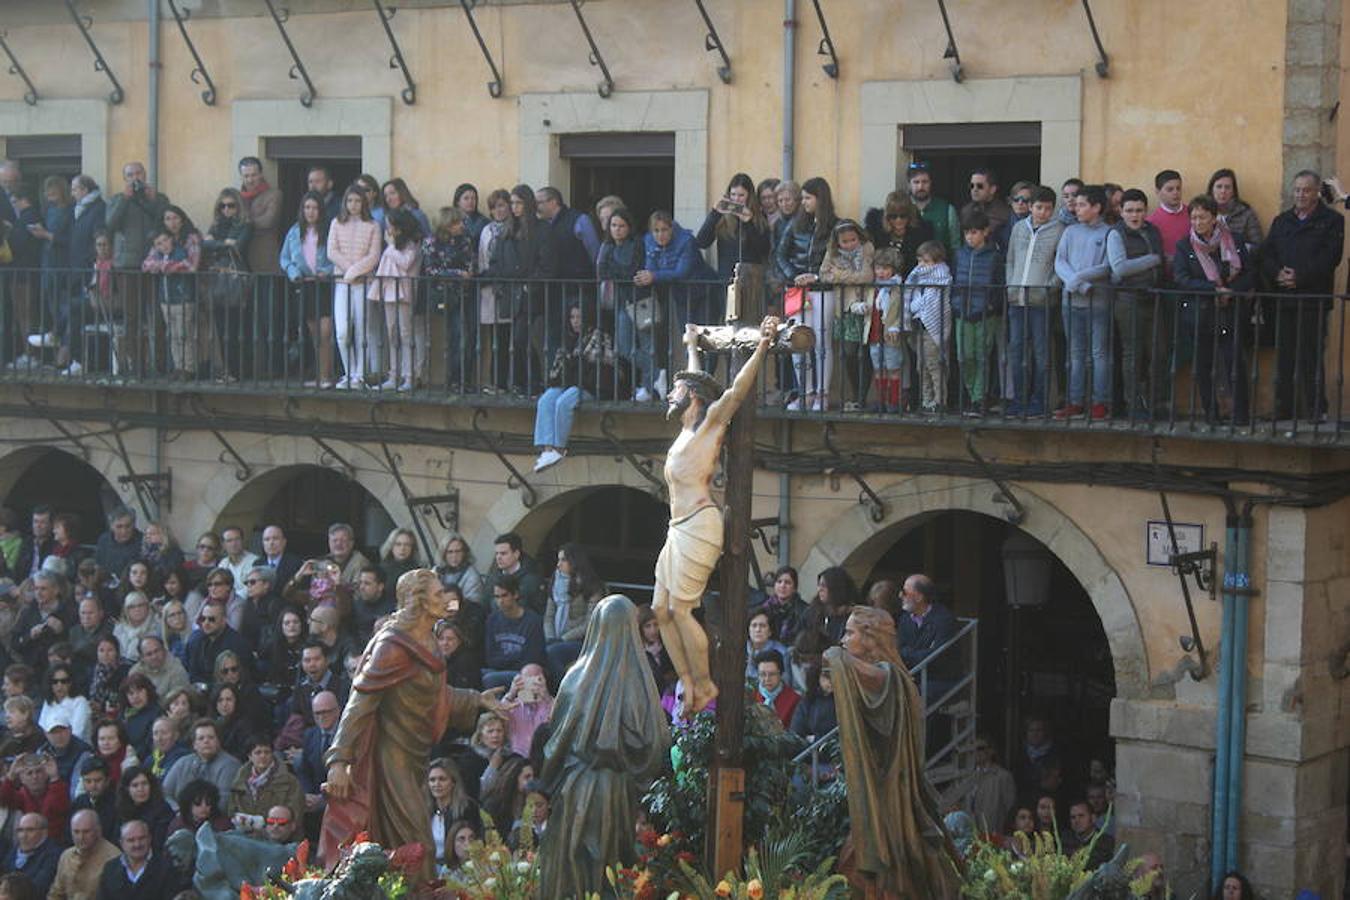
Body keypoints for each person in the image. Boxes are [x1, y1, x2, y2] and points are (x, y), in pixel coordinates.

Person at [320, 569, 510, 882]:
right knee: (415, 841)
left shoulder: (429, 641)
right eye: (437, 594)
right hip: (387, 759)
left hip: (414, 756)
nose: (445, 598)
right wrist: (339, 760)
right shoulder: (392, 646)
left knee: (402, 843)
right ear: (418, 601)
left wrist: (477, 699)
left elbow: (429, 694)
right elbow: (359, 703)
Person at [654, 317, 780, 713]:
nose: (670, 394)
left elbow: (735, 392)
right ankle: (688, 682)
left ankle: (705, 684)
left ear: (690, 396)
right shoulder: (685, 428)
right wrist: (692, 344)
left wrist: (762, 346)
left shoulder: (710, 425)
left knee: (680, 609)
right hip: (678, 529)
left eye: (676, 389)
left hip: (699, 524)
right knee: (660, 610)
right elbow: (696, 380)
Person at [537, 594, 668, 899]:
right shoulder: (642, 684)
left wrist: (553, 776)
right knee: (612, 867)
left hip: (576, 785)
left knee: (574, 863)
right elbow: (656, 744)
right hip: (619, 792)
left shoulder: (575, 677)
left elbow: (554, 741)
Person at [825, 606, 959, 896]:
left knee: (872, 865)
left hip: (893, 793)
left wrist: (836, 657)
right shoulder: (890, 676)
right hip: (883, 788)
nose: (843, 640)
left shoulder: (891, 676)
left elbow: (864, 673)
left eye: (850, 633)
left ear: (871, 637)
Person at [1259, 169, 1343, 421]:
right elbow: (1267, 253)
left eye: (1306, 190)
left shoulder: (1332, 221)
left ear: (1317, 192)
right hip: (1284, 298)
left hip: (1312, 300)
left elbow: (1331, 258)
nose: (1300, 194)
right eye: (1297, 190)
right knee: (1284, 355)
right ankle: (1283, 408)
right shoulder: (1282, 220)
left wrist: (1300, 277)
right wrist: (1279, 274)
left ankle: (1317, 410)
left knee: (1311, 355)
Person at [1173, 194, 1254, 424]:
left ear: (1214, 217)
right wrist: (1213, 289)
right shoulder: (1184, 245)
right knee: (1204, 366)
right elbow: (1181, 278)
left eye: (1202, 217)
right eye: (1194, 218)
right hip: (1200, 315)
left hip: (1229, 313)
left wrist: (1231, 290)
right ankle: (1212, 414)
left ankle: (1240, 415)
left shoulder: (1233, 240)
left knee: (1234, 362)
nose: (1197, 222)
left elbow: (1248, 273)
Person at [774, 178, 838, 410]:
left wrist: (817, 277)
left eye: (808, 198)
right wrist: (795, 275)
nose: (804, 202)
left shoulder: (836, 226)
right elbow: (780, 255)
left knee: (822, 341)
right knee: (797, 340)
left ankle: (822, 394)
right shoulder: (795, 224)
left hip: (823, 290)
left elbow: (840, 262)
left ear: (820, 199)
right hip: (797, 290)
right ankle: (806, 392)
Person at [1053, 184, 1113, 420]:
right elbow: (1060, 262)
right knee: (1075, 353)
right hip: (1072, 302)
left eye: (1081, 204)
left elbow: (1108, 265)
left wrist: (1080, 278)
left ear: (1096, 207)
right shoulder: (1070, 232)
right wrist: (1077, 283)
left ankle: (1100, 402)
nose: (1076, 208)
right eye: (1076, 204)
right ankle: (1075, 401)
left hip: (1098, 303)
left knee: (1099, 354)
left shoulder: (1109, 233)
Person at [1005, 185, 1065, 416]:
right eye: (1038, 207)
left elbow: (1059, 264)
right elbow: (1010, 259)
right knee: (1017, 351)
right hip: (1016, 299)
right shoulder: (1019, 228)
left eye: (1047, 209)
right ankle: (1019, 399)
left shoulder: (1059, 230)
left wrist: (1050, 288)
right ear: (1030, 207)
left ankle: (1039, 401)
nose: (1042, 213)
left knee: (1041, 353)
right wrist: (1011, 284)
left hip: (1042, 301)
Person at [1106, 188, 1166, 417]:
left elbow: (1160, 262)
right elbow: (1120, 268)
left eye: (1139, 210)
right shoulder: (1115, 234)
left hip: (1153, 297)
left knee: (1158, 353)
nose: (1135, 215)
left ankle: (1156, 404)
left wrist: (1154, 263)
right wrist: (1152, 260)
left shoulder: (1152, 231)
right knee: (1132, 354)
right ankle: (1133, 405)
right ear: (1121, 211)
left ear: (1145, 211)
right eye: (1129, 210)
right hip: (1127, 299)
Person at [326, 184, 383, 391]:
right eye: (350, 201)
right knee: (342, 331)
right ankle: (349, 372)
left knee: (362, 331)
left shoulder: (373, 225)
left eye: (357, 201)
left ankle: (358, 376)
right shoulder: (336, 223)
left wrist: (355, 272)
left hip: (363, 283)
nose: (353, 205)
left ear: (364, 203)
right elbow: (332, 251)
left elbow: (374, 256)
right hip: (342, 283)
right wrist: (349, 271)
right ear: (345, 202)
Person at [695, 172, 772, 321]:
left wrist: (748, 222)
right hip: (727, 282)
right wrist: (715, 213)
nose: (736, 199)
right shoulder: (722, 219)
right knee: (729, 326)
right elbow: (702, 242)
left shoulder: (759, 219)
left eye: (741, 195)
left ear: (749, 197)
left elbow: (763, 250)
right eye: (733, 195)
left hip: (752, 283)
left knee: (751, 326)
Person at [280, 191, 336, 388]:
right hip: (305, 285)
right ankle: (321, 376)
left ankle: (328, 376)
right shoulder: (295, 231)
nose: (310, 212)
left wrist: (328, 271)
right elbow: (284, 258)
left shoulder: (329, 230)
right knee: (314, 334)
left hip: (325, 284)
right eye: (307, 208)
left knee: (326, 331)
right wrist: (293, 272)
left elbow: (337, 256)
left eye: (314, 208)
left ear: (320, 210)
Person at [951, 209, 1005, 413]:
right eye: (967, 233)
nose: (970, 237)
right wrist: (955, 302)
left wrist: (992, 305)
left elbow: (1000, 284)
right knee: (964, 355)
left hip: (985, 313)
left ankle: (979, 397)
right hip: (962, 311)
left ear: (985, 232)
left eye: (974, 232)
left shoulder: (994, 256)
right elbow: (954, 279)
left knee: (982, 355)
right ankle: (972, 392)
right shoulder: (958, 254)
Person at [819, 218, 876, 411]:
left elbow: (868, 276)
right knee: (848, 352)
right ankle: (855, 392)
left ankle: (862, 396)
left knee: (864, 351)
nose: (850, 244)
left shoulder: (867, 248)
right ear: (838, 242)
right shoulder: (832, 253)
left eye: (853, 240)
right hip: (845, 307)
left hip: (866, 305)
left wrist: (841, 275)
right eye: (845, 242)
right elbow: (824, 274)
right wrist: (851, 276)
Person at [200, 187, 253, 381]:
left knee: (238, 328)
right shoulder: (216, 225)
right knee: (221, 328)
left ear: (238, 206)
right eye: (222, 206)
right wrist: (225, 244)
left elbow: (238, 246)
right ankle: (226, 371)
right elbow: (204, 245)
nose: (226, 210)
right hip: (217, 280)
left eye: (230, 205)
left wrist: (217, 243)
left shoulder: (245, 224)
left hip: (236, 279)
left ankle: (239, 371)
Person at [370, 207, 425, 391]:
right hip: (389, 292)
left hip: (405, 293)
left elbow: (405, 262)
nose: (388, 230)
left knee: (406, 334)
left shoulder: (413, 244)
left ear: (399, 228)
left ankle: (410, 376)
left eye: (390, 226)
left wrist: (391, 246)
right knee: (392, 333)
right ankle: (394, 375)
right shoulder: (392, 245)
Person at [851, 247, 906, 413]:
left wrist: (897, 325)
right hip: (873, 333)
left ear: (893, 269)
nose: (881, 272)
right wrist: (858, 306)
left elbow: (903, 310)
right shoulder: (871, 287)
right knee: (878, 368)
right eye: (878, 268)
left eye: (886, 268)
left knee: (893, 368)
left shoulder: (898, 287)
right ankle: (881, 401)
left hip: (890, 334)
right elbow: (855, 301)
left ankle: (894, 402)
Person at [904, 240, 953, 413]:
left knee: (934, 366)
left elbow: (932, 304)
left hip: (932, 328)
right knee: (922, 366)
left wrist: (916, 306)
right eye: (919, 261)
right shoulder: (917, 278)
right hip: (919, 327)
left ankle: (940, 401)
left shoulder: (942, 277)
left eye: (926, 262)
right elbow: (914, 302)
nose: (921, 266)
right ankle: (926, 401)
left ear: (937, 261)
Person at [542, 543, 601, 678]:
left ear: (575, 561)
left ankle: (562, 691)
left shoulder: (591, 586)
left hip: (579, 641)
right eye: (558, 560)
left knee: (552, 653)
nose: (558, 564)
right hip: (554, 638)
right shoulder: (555, 583)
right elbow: (548, 617)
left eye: (563, 560)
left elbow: (590, 623)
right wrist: (550, 637)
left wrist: (563, 638)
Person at [481, 576, 547, 691]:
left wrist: (505, 660)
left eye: (504, 595)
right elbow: (490, 658)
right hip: (498, 669)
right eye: (497, 597)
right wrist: (514, 658)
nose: (500, 601)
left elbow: (532, 659)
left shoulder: (533, 621)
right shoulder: (492, 620)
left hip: (524, 674)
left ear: (515, 594)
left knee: (490, 679)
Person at [225, 735, 304, 830]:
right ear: (250, 756)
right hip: (245, 835)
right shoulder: (239, 782)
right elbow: (231, 810)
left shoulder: (290, 782)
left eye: (267, 752)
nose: (263, 756)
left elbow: (296, 815)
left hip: (278, 837)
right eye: (258, 753)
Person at [94, 819, 180, 899]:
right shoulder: (110, 869)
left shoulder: (167, 868)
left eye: (142, 838)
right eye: (131, 840)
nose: (137, 844)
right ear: (121, 843)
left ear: (150, 838)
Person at [160, 718, 241, 802]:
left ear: (218, 741)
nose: (206, 741)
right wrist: (177, 811)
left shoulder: (230, 765)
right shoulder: (182, 763)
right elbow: (164, 793)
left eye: (211, 737)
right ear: (194, 744)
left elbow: (224, 803)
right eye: (201, 738)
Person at [49, 808, 119, 900]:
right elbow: (56, 893)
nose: (80, 837)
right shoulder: (66, 856)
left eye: (86, 832)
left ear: (98, 831)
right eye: (76, 832)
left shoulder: (114, 858)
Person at [897, 574, 958, 674]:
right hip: (913, 673)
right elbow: (899, 649)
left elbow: (936, 657)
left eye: (904, 592)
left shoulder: (944, 619)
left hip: (937, 677)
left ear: (919, 597)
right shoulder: (905, 618)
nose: (900, 595)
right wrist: (915, 654)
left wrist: (908, 653)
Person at [427, 758, 478, 870]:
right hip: (430, 868)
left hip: (457, 869)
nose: (436, 784)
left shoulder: (467, 808)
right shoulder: (425, 810)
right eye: (432, 780)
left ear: (453, 782)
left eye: (442, 779)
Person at [907, 160, 961, 259]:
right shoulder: (902, 209)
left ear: (931, 183)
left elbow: (956, 246)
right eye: (916, 182)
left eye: (925, 182)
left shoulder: (947, 209)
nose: (920, 186)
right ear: (909, 184)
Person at [482, 532, 545, 615]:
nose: (498, 557)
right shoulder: (492, 578)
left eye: (503, 553)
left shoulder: (532, 580)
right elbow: (485, 608)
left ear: (516, 554)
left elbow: (539, 612)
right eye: (497, 553)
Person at [966, 736, 1017, 835]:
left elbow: (1010, 808)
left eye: (980, 748)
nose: (975, 752)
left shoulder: (1003, 776)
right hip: (969, 834)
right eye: (972, 749)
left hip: (994, 834)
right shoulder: (966, 776)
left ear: (991, 751)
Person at [114, 766, 173, 851]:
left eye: (144, 784)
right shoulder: (121, 808)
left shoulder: (163, 810)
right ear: (127, 789)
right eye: (135, 785)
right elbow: (116, 839)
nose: (140, 789)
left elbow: (159, 843)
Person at [2, 812, 60, 896]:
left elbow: (38, 888)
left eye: (30, 830)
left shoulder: (53, 854)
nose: (23, 835)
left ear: (44, 832)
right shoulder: (15, 850)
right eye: (20, 830)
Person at [1146, 170, 1188, 281]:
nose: (1175, 193)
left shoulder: (1193, 214)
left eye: (1178, 188)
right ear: (1158, 191)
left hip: (1191, 276)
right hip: (1165, 278)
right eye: (1170, 189)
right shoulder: (1151, 221)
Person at [1207, 169, 1263, 251]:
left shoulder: (1246, 213)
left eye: (1227, 187)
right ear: (1212, 190)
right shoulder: (1203, 211)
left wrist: (1237, 249)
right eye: (1219, 187)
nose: (1223, 191)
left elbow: (1258, 245)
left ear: (1233, 191)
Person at [788, 662, 836, 740]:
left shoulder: (845, 700)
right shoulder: (808, 700)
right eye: (825, 678)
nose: (829, 682)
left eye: (833, 677)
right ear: (818, 678)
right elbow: (796, 731)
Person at [963, 167, 1012, 240]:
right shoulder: (966, 211)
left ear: (992, 189)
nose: (974, 189)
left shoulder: (1005, 214)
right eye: (971, 186)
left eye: (980, 186)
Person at [1061, 799, 1114, 867]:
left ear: (1093, 818)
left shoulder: (1107, 842)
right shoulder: (1064, 840)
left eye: (1081, 816)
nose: (1077, 821)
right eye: (1073, 817)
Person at [753, 649, 799, 728]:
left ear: (781, 674)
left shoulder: (794, 699)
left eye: (772, 674)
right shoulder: (751, 695)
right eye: (762, 674)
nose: (767, 679)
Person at [434, 534, 484, 606]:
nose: (454, 556)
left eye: (458, 551)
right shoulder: (436, 570)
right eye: (450, 552)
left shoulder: (471, 576)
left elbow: (473, 605)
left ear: (464, 553)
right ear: (444, 554)